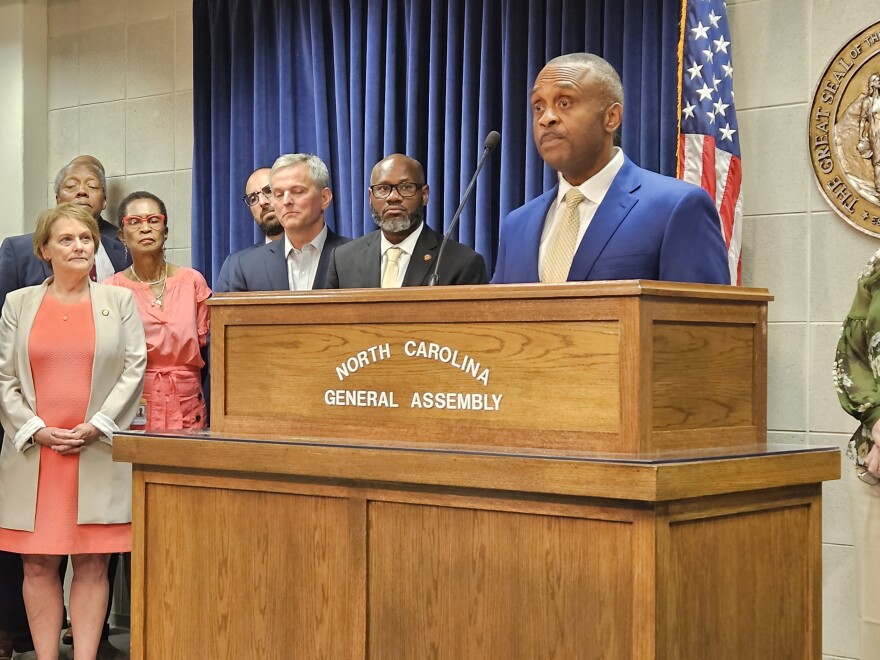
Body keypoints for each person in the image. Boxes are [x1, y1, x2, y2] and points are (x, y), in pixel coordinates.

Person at [0, 203, 146, 660]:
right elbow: (5, 378)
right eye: (66, 239)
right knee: (37, 564)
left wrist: (99, 425)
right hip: (34, 457)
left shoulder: (118, 300)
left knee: (93, 562)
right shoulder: (18, 303)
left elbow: (134, 367)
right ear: (45, 249)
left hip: (96, 450)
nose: (79, 246)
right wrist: (36, 429)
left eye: (86, 238)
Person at [491, 52, 729, 285]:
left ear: (611, 117)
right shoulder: (516, 226)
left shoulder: (677, 208)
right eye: (538, 107)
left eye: (564, 103)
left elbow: (703, 320)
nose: (547, 118)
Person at [104, 191, 211, 430]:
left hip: (188, 402)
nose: (145, 228)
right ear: (122, 234)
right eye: (134, 222)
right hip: (136, 399)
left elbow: (206, 347)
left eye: (153, 220)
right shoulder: (111, 289)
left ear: (166, 230)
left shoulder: (193, 281)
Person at [325, 154, 487, 288]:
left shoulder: (462, 263)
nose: (393, 197)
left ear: (424, 195)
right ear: (370, 197)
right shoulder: (343, 259)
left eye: (405, 187)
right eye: (382, 188)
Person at [0, 156, 130, 310]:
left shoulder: (124, 251)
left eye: (92, 186)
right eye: (71, 186)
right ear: (58, 199)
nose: (82, 191)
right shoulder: (17, 250)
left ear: (104, 202)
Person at [214, 154, 349, 292]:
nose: (286, 201)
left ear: (324, 198)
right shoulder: (243, 267)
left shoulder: (356, 257)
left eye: (297, 191)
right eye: (278, 194)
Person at [835, 248, 880, 655]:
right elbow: (852, 352)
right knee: (876, 620)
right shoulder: (879, 262)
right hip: (877, 465)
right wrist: (879, 418)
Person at [214, 167, 282, 292]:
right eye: (253, 199)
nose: (262, 202)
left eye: (269, 191)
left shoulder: (316, 249)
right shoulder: (235, 266)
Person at [858, 72, 880, 193]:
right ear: (872, 84)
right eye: (877, 80)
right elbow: (862, 120)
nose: (879, 82)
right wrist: (861, 135)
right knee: (878, 160)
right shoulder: (868, 101)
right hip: (875, 132)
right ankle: (879, 187)